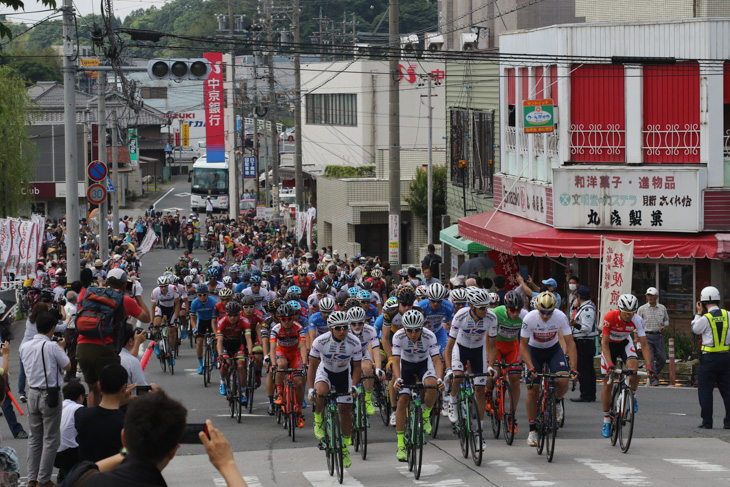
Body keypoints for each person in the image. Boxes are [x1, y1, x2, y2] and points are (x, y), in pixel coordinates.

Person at [62, 391, 247, 487]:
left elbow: (89, 469)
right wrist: (227, 465)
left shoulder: (81, 477)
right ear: (173, 451)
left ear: (124, 438)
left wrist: (131, 449)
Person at [76, 268, 150, 407]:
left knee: (93, 390)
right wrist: (138, 294)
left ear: (105, 283)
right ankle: (112, 422)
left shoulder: (87, 294)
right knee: (114, 390)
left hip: (82, 346)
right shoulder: (124, 300)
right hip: (105, 347)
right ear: (123, 285)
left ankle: (94, 422)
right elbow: (146, 318)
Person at [19, 311, 71, 487]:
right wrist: (62, 347)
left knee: (34, 438)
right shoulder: (52, 346)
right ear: (53, 328)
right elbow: (67, 365)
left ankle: (32, 479)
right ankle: (44, 480)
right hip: (50, 395)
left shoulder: (24, 346)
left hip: (32, 392)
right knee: (50, 439)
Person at [521, 291, 578, 447]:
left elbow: (570, 343)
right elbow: (523, 346)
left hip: (553, 350)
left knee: (563, 379)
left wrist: (574, 368)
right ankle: (532, 430)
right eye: (542, 312)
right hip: (534, 351)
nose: (545, 316)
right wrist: (530, 367)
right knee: (533, 390)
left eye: (549, 312)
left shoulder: (560, 317)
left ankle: (557, 402)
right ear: (537, 308)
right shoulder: (529, 318)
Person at [308, 311, 362, 469]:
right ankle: (318, 419)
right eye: (338, 328)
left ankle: (344, 448)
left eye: (345, 327)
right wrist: (311, 388)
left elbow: (357, 367)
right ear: (331, 328)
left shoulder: (354, 342)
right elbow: (312, 366)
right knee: (321, 394)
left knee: (345, 409)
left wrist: (354, 386)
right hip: (325, 372)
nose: (342, 331)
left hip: (344, 375)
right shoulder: (320, 341)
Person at [444, 288, 496, 453]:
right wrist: (448, 369)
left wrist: (490, 366)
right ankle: (452, 401)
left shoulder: (491, 318)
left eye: (486, 306)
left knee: (480, 390)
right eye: (482, 307)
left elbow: (493, 346)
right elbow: (449, 346)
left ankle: (479, 434)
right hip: (460, 348)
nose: (485, 310)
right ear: (472, 306)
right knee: (458, 377)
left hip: (478, 351)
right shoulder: (460, 316)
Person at [392, 310, 443, 461]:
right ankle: (401, 443)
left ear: (422, 327)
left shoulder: (429, 335)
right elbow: (395, 361)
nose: (413, 334)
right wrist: (397, 379)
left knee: (432, 385)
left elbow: (437, 361)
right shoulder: (398, 336)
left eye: (416, 330)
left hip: (423, 364)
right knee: (402, 400)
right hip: (405, 365)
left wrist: (440, 379)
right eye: (410, 330)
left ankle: (426, 415)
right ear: (404, 328)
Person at [599, 293, 653, 438]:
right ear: (619, 309)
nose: (628, 316)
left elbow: (644, 344)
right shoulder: (610, 317)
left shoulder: (637, 319)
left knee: (634, 368)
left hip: (624, 342)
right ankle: (606, 420)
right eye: (625, 313)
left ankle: (632, 394)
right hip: (609, 345)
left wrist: (649, 366)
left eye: (631, 313)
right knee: (608, 384)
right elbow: (604, 344)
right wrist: (610, 364)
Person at [75, 364, 135, 464]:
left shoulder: (81, 415)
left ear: (99, 387)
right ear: (124, 388)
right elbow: (125, 453)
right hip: (115, 476)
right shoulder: (126, 423)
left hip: (87, 475)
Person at [691, 286, 730, 429]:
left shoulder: (705, 318)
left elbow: (695, 329)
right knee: (727, 391)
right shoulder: (727, 314)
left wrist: (698, 314)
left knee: (705, 391)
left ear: (702, 302)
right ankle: (729, 422)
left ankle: (707, 422)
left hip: (709, 359)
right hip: (725, 358)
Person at [569, 286, 598, 402]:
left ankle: (586, 394)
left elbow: (586, 328)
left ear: (579, 296)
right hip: (583, 342)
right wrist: (573, 307)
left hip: (585, 342)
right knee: (588, 368)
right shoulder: (583, 307)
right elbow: (572, 317)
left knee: (584, 369)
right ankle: (589, 393)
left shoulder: (587, 310)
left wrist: (576, 324)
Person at [54, 381, 86, 483]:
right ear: (80, 397)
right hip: (69, 456)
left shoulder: (60, 406)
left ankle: (62, 474)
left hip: (52, 453)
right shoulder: (78, 408)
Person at [637, 287, 669, 387]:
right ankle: (653, 378)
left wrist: (665, 326)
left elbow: (666, 320)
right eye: (648, 295)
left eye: (652, 295)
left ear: (656, 296)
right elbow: (637, 324)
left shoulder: (662, 308)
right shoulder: (642, 309)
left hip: (658, 335)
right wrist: (636, 338)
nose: (649, 297)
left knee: (662, 358)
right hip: (646, 336)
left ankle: (653, 373)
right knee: (649, 359)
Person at [118, 324, 148, 390]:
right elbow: (141, 387)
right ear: (130, 341)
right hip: (128, 399)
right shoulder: (132, 361)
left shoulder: (105, 356)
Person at [63, 290, 79, 382]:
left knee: (68, 353)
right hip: (72, 331)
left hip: (66, 331)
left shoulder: (65, 306)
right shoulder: (73, 309)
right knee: (73, 354)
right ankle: (71, 374)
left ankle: (68, 373)